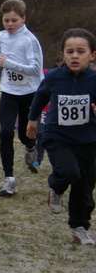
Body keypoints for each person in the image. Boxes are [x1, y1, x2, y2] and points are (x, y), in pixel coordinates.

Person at [26, 28, 96, 245]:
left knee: (85, 186)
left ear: (92, 55)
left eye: (80, 51)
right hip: (58, 137)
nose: (75, 56)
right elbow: (40, 96)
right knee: (68, 172)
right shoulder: (54, 77)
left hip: (89, 140)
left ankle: (79, 227)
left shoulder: (94, 79)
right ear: (63, 54)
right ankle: (56, 187)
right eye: (70, 51)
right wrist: (32, 119)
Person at [0, 0, 44, 196]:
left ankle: (30, 147)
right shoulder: (2, 36)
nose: (10, 24)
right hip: (9, 91)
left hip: (30, 93)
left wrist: (8, 64)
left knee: (24, 135)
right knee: (5, 132)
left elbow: (36, 70)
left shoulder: (29, 40)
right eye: (6, 20)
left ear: (23, 19)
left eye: (14, 20)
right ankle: (9, 179)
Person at [30, 56, 63, 173]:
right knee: (35, 133)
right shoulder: (38, 74)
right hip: (37, 109)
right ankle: (31, 152)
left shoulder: (51, 74)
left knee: (42, 134)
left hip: (49, 110)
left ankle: (38, 160)